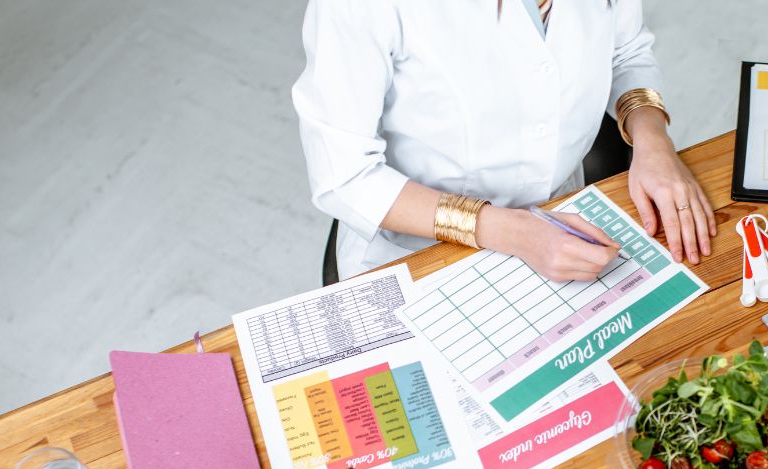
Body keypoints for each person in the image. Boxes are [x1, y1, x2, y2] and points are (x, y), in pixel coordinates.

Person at [292, 0, 717, 282]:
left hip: (562, 217)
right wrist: (513, 232)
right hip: (421, 250)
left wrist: (653, 142)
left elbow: (626, 51)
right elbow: (344, 175)